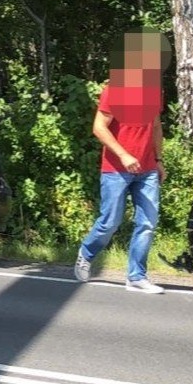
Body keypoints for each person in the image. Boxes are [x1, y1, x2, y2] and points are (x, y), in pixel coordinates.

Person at [74, 28, 171, 294]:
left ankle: (136, 276)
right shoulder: (115, 88)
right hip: (116, 169)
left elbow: (156, 126)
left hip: (148, 168)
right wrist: (124, 155)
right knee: (110, 222)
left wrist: (159, 159)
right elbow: (99, 127)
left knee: (147, 222)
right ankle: (86, 252)